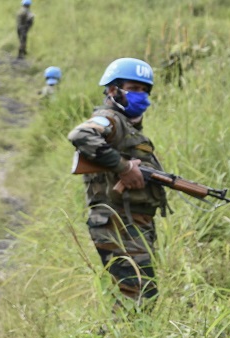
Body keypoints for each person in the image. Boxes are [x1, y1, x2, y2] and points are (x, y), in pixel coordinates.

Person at [67, 58, 165, 305]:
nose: (140, 95)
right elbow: (80, 134)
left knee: (137, 295)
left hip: (133, 222)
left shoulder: (131, 129)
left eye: (144, 90)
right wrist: (123, 168)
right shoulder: (108, 119)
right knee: (138, 296)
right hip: (116, 222)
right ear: (113, 90)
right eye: (133, 88)